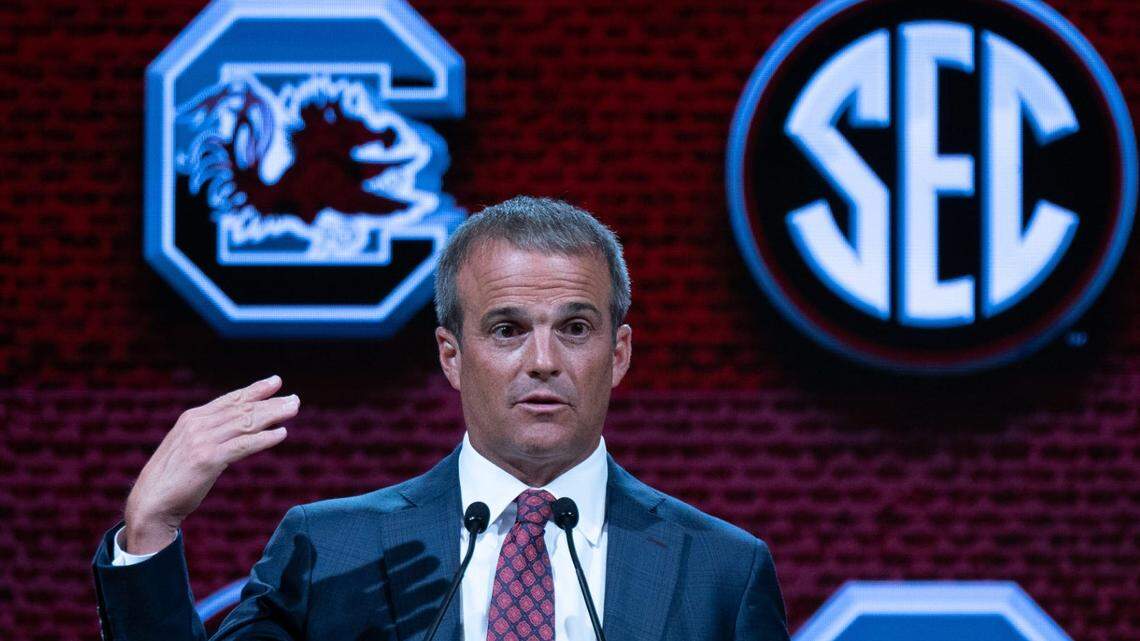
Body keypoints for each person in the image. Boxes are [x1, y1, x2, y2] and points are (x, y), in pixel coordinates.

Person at [91, 196, 789, 640]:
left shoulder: (721, 570)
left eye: (574, 327)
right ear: (452, 355)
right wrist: (149, 533)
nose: (543, 360)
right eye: (508, 329)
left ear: (619, 351)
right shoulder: (332, 551)